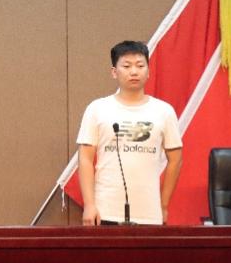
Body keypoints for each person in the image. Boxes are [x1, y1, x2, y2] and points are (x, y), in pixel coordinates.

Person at [77, 40, 183, 225]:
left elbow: (176, 159)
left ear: (148, 71)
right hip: (105, 211)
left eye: (140, 66)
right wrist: (89, 204)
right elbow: (85, 159)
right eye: (126, 66)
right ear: (114, 72)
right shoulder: (97, 108)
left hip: (149, 212)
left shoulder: (164, 111)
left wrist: (163, 205)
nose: (134, 72)